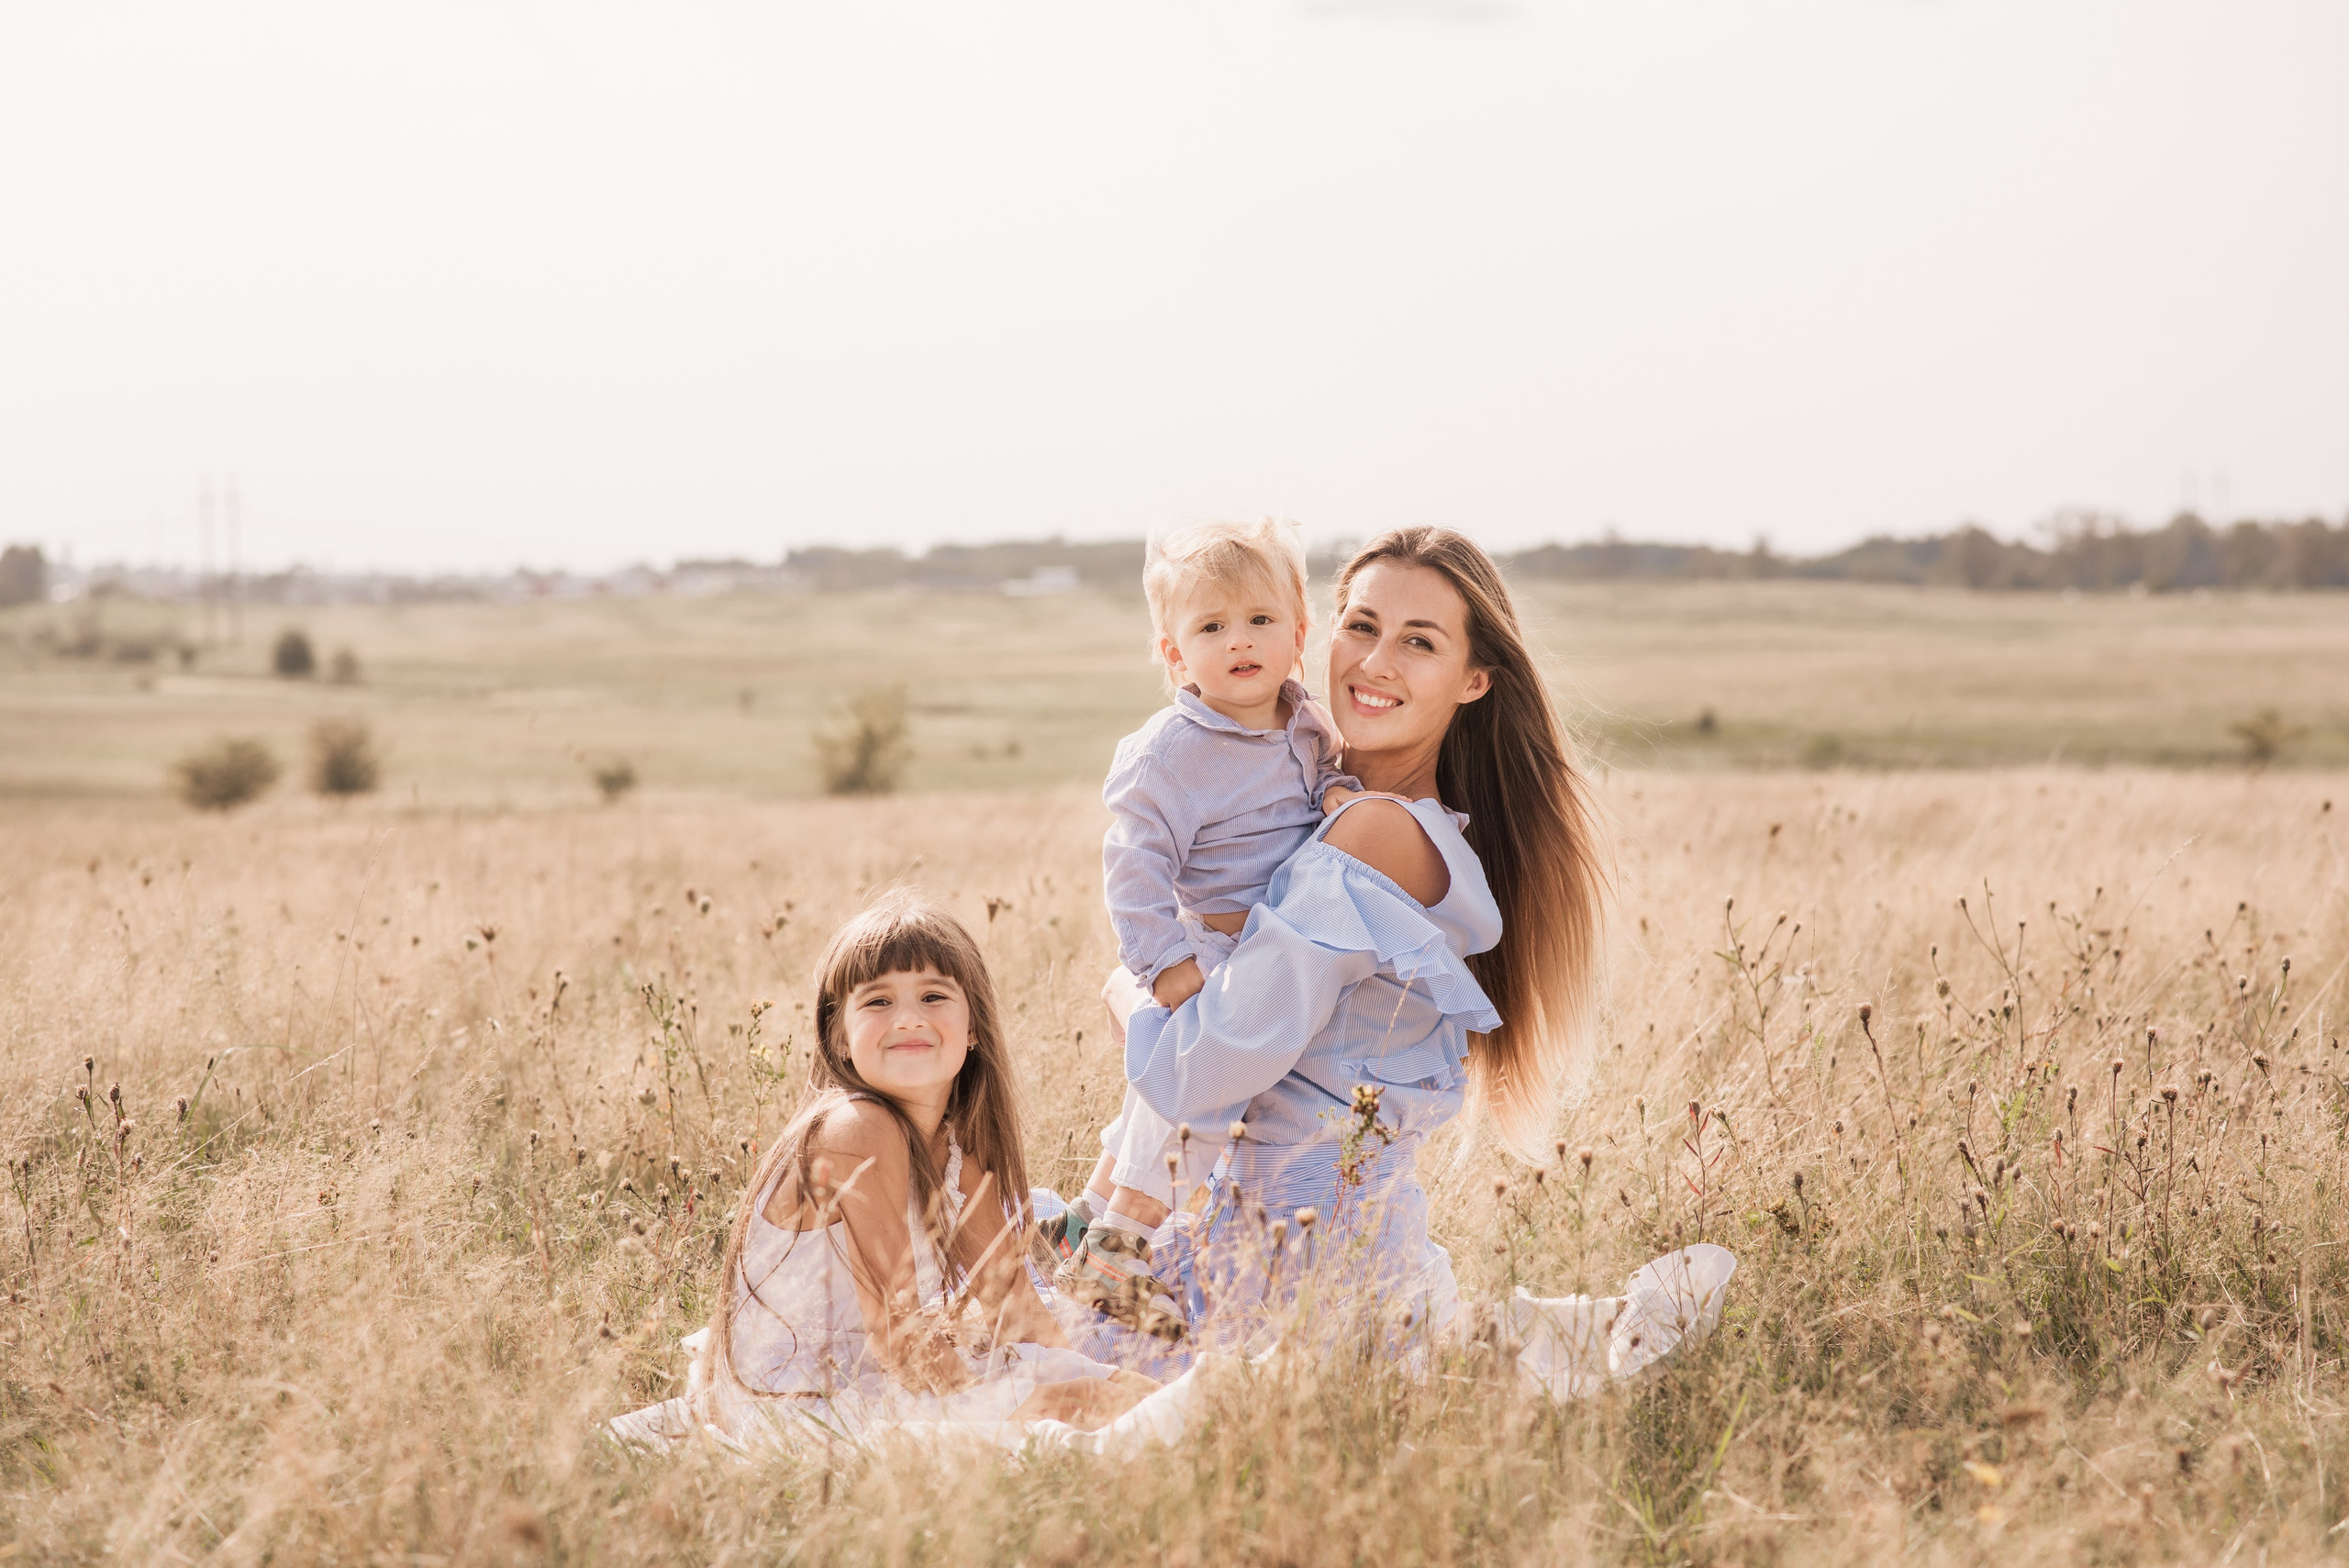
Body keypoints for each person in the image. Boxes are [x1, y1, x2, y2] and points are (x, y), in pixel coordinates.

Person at [1069, 526, 1734, 1381]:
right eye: (1361, 625)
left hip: (1304, 1292)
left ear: (1473, 679)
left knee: (1037, 1373)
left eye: (1419, 642)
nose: (1375, 662)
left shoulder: (1376, 835)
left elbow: (1211, 1058)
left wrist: (1127, 993)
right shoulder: (1334, 810)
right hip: (1292, 1254)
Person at [608, 891, 1156, 1451]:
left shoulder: (957, 1152)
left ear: (973, 1028)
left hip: (874, 1378)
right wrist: (1003, 1404)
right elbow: (901, 1337)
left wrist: (1095, 1379)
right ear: (840, 1037)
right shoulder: (856, 1129)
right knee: (1082, 1408)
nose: (909, 1018)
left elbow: (1019, 1315)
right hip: (799, 1404)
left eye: (933, 996)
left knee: (1124, 1394)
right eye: (878, 1001)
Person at [1047, 517, 1358, 1335]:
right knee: (1196, 1094)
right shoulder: (1171, 752)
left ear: (1299, 632)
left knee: (1157, 1088)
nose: (1239, 640)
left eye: (1259, 619)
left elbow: (1320, 779)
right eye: (1212, 627)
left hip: (1274, 948)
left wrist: (1335, 793)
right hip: (1211, 952)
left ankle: (1084, 1218)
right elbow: (1134, 869)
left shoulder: (1304, 720)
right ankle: (1119, 1250)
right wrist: (1167, 965)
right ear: (1176, 653)